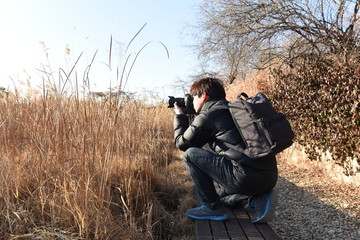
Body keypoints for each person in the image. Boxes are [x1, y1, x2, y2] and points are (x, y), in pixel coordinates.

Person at [173, 77, 278, 222]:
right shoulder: (233, 109)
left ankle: (212, 208)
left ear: (203, 95)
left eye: (193, 97)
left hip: (246, 177)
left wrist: (179, 117)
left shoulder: (209, 115)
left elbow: (182, 144)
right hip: (269, 177)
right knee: (220, 195)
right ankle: (256, 200)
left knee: (191, 155)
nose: (191, 101)